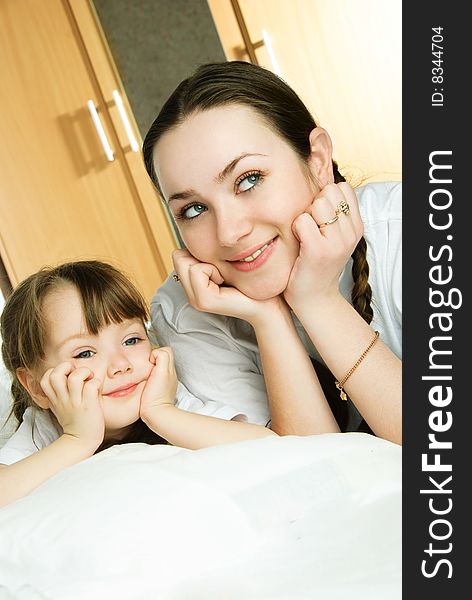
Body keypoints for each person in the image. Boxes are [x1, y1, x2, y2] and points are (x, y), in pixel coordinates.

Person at [142, 61, 402, 445]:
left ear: (317, 160)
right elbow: (313, 481)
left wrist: (318, 301)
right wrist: (268, 319)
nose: (230, 232)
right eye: (193, 209)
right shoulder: (186, 314)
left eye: (248, 180)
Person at [0, 260, 336, 507]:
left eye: (131, 341)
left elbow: (268, 447)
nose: (120, 366)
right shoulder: (44, 429)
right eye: (85, 352)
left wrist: (161, 412)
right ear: (38, 387)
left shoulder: (163, 397)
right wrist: (77, 439)